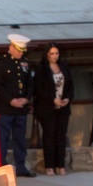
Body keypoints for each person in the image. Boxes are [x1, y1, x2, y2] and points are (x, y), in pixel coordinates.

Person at [0, 33, 35, 177]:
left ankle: (21, 167)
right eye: (19, 49)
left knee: (20, 139)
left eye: (23, 50)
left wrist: (26, 99)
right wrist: (11, 100)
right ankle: (0, 169)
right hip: (5, 107)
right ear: (11, 47)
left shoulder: (25, 63)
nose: (21, 52)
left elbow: (30, 84)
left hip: (21, 108)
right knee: (2, 139)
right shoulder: (1, 62)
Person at [32, 44, 73, 175]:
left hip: (63, 108)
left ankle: (60, 165)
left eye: (56, 53)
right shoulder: (41, 69)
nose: (55, 56)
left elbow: (71, 85)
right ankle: (49, 166)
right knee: (49, 136)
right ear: (47, 54)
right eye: (52, 53)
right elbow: (39, 89)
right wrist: (52, 99)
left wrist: (68, 99)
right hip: (47, 108)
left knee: (61, 136)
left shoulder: (64, 67)